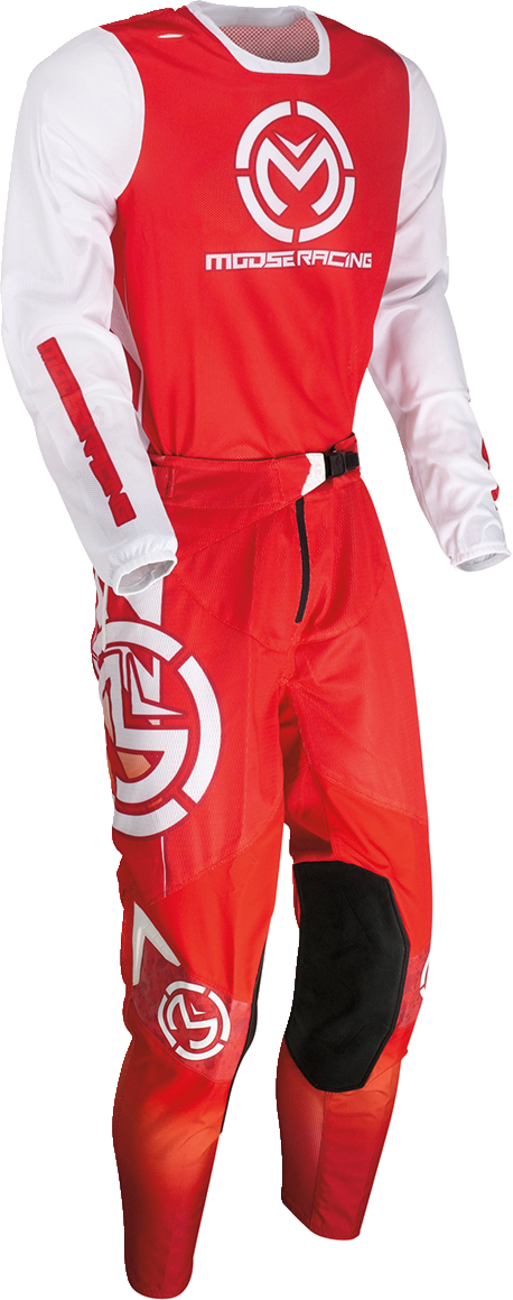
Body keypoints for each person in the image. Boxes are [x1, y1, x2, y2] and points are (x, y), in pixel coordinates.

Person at [1, 5, 510, 1298]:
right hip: (183, 544)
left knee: (385, 943)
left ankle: (328, 1229)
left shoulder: (395, 89)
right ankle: (158, 1275)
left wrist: (461, 500)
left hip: (342, 530)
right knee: (196, 997)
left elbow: (411, 298)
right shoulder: (104, 79)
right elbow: (50, 315)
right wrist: (129, 533)